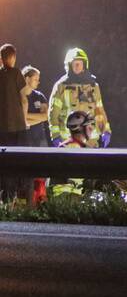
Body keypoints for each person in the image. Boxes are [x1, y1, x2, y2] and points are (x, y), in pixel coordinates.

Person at [48, 47, 110, 147]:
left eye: (79, 63)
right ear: (69, 65)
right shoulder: (61, 86)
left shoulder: (93, 86)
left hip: (91, 141)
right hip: (69, 141)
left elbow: (100, 111)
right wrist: (55, 135)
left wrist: (106, 130)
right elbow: (53, 114)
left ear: (84, 65)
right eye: (74, 63)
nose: (77, 66)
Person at [0, 44, 33, 202]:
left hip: (1, 129)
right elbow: (24, 97)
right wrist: (25, 119)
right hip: (17, 127)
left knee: (4, 163)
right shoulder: (16, 73)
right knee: (19, 163)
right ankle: (19, 199)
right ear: (12, 57)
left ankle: (5, 197)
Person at [50, 111, 96, 197]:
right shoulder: (74, 148)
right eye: (89, 126)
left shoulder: (72, 145)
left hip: (67, 195)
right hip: (66, 196)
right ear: (81, 128)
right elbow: (76, 180)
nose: (92, 129)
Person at [22, 66, 50, 203]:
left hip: (40, 140)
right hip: (25, 140)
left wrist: (27, 118)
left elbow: (45, 116)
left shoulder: (40, 96)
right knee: (27, 174)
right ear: (27, 79)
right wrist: (28, 119)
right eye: (35, 79)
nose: (38, 82)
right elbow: (21, 119)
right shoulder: (19, 95)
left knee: (42, 173)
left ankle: (41, 200)